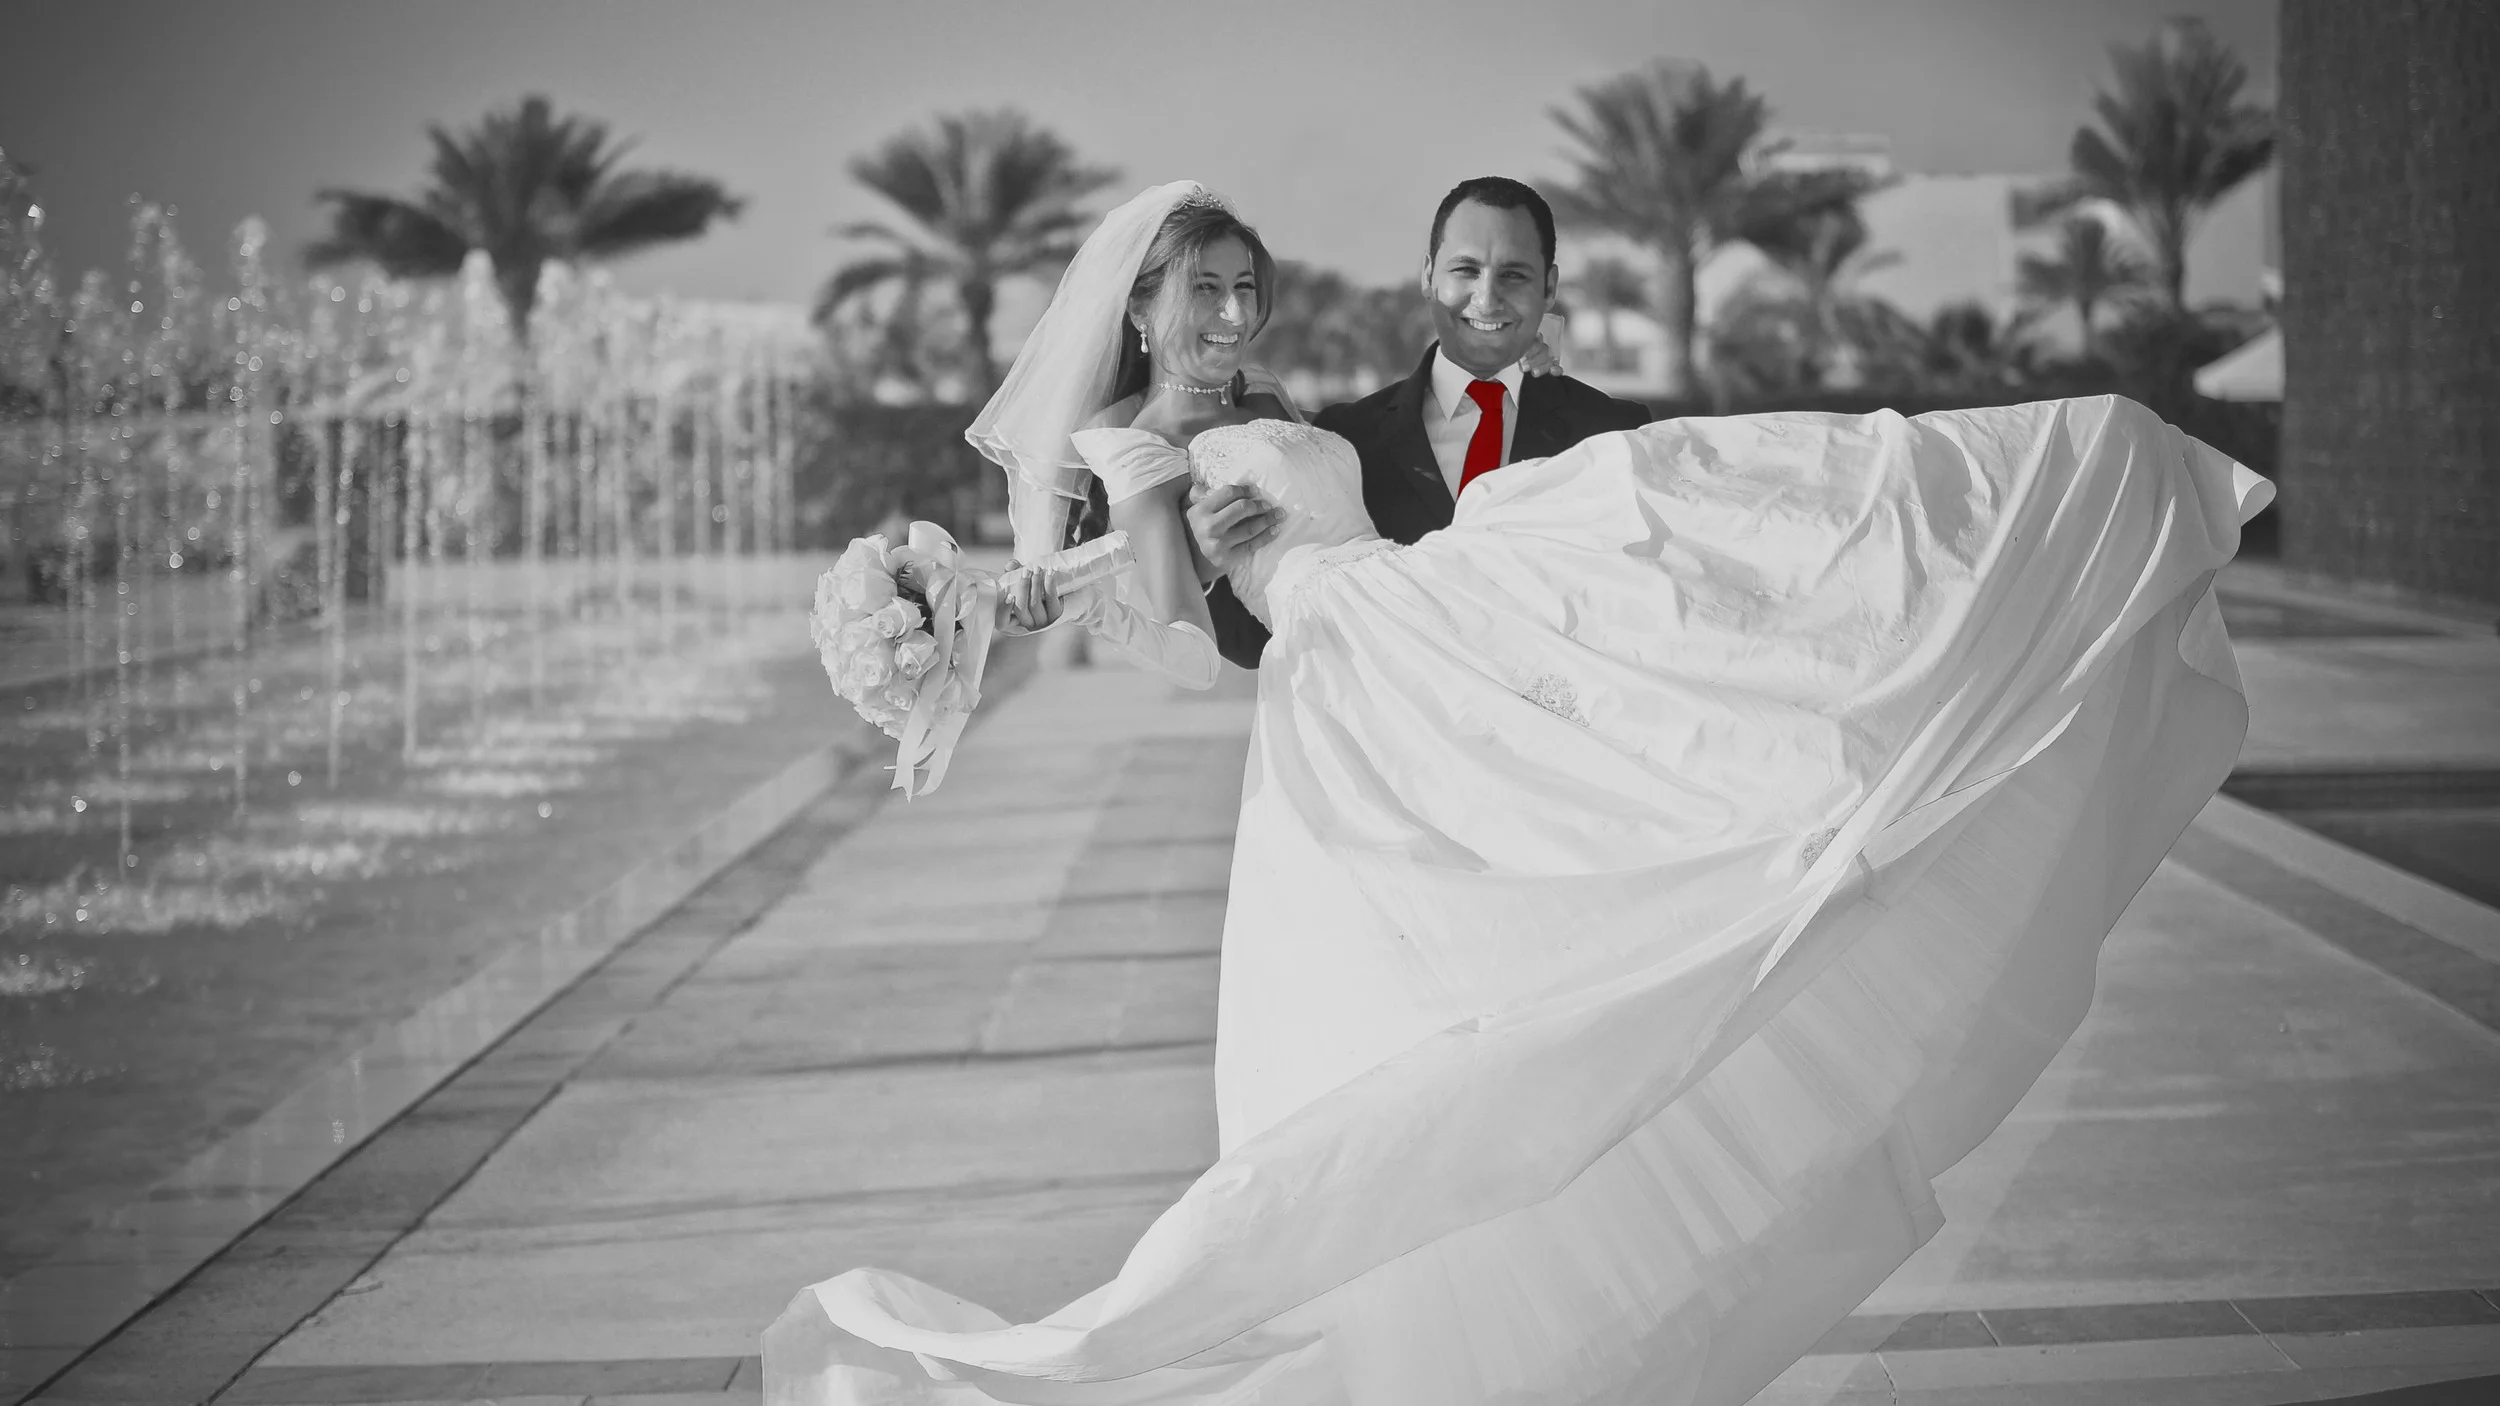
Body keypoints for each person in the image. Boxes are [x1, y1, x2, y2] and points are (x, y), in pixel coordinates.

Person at [766, 180, 2274, 1405]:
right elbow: (1178, 628)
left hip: (1418, 611)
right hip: (1355, 670)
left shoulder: (1274, 401)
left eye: (1243, 288)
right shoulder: (1134, 442)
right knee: (1455, 975)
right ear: (1143, 305)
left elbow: (1221, 549)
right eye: (1202, 292)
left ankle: (2001, 566)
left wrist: (1067, 581)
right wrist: (1123, 566)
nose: (1229, 314)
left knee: (1692, 627)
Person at [1188, 176, 1650, 670]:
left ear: (1549, 287)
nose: (1487, 298)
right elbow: (1263, 640)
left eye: (1514, 275)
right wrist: (1206, 563)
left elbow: (1647, 612)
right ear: (1428, 275)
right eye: (1466, 270)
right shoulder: (1346, 439)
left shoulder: (1614, 434)